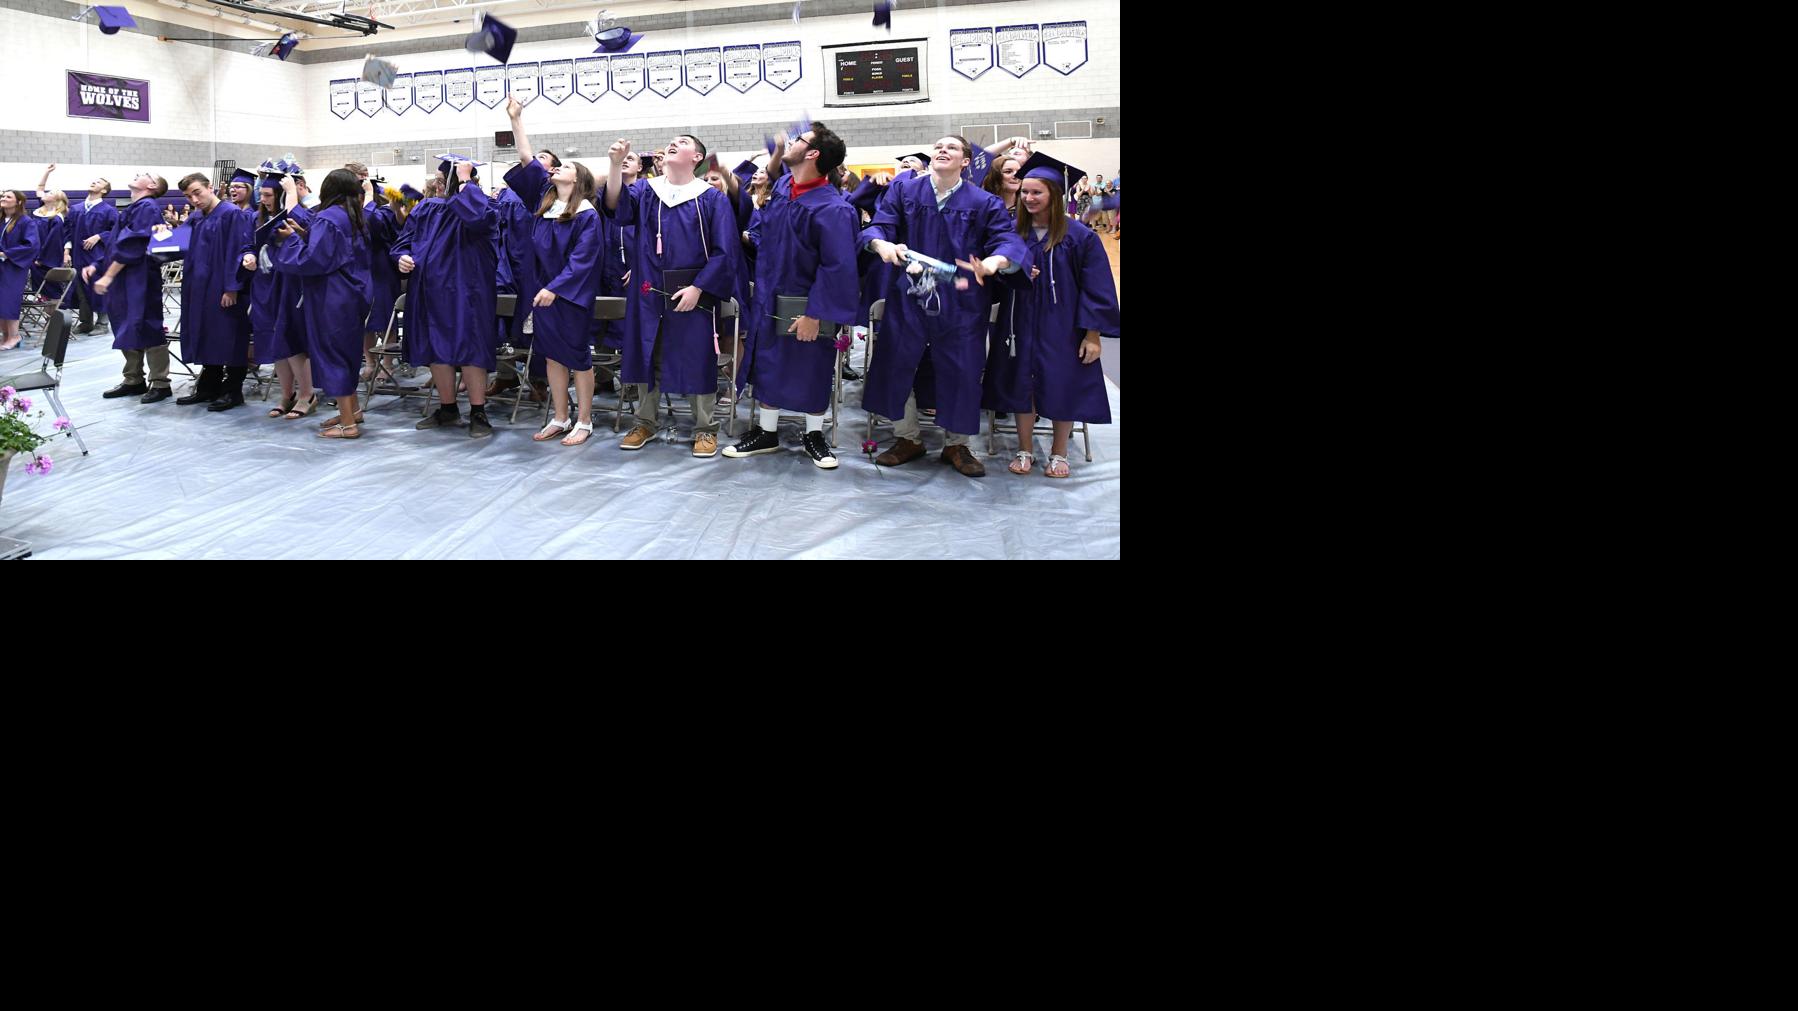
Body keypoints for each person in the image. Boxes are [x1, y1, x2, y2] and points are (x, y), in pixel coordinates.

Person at [859, 136, 1028, 477]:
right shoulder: (905, 192)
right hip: (910, 295)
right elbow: (879, 223)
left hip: (962, 303)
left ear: (967, 161)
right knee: (896, 363)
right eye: (938, 146)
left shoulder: (983, 202)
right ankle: (907, 437)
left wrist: (995, 262)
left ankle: (956, 444)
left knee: (962, 370)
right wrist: (881, 244)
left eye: (952, 147)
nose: (942, 150)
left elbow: (1006, 240)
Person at [723, 123, 858, 469]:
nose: (792, 143)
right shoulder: (784, 186)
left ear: (813, 154)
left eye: (800, 140)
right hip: (770, 293)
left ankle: (814, 434)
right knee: (768, 361)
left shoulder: (833, 208)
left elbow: (837, 267)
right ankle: (766, 432)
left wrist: (816, 314)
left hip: (807, 302)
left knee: (812, 365)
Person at [983, 154, 1119, 479]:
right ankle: (1024, 448)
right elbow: (996, 275)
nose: (1028, 199)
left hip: (1064, 323)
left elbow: (1096, 286)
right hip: (1019, 320)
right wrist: (1009, 272)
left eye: (1036, 193)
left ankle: (1059, 452)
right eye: (1024, 192)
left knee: (1063, 383)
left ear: (1054, 196)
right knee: (1021, 382)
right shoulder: (1012, 232)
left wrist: (1092, 334)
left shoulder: (1079, 236)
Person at [601, 132, 737, 458]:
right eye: (672, 141)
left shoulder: (711, 198)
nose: (674, 143)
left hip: (693, 291)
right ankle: (645, 421)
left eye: (684, 141)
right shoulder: (647, 191)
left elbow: (724, 252)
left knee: (698, 357)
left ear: (697, 157)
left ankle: (705, 428)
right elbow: (616, 208)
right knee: (647, 353)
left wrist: (699, 288)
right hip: (648, 288)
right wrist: (615, 164)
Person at [503, 97, 605, 446]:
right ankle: (560, 416)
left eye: (566, 166)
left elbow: (583, 261)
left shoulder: (587, 215)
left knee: (577, 357)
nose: (557, 168)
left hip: (569, 296)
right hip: (540, 292)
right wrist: (516, 119)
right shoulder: (544, 202)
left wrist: (556, 289)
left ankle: (585, 421)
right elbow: (526, 159)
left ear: (579, 179)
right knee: (550, 357)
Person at [392, 154, 501, 438]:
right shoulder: (426, 209)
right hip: (428, 291)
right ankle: (448, 408)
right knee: (436, 347)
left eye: (444, 182)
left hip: (469, 292)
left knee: (471, 348)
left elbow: (477, 219)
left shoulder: (485, 206)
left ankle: (479, 412)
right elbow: (403, 242)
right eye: (437, 182)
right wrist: (402, 257)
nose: (438, 187)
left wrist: (465, 183)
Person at [275, 169, 372, 439]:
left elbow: (313, 261)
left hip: (333, 296)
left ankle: (347, 425)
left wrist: (291, 240)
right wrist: (306, 234)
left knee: (334, 355)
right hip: (354, 294)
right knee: (349, 354)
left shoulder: (329, 218)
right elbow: (335, 252)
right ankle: (351, 412)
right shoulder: (353, 216)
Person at [88, 172, 175, 402]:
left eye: (145, 175)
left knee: (147, 324)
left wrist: (107, 276)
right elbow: (116, 244)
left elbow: (133, 247)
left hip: (139, 277)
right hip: (124, 278)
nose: (138, 174)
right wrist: (97, 265)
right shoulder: (132, 207)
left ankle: (160, 382)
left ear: (153, 185)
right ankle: (133, 379)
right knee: (126, 324)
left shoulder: (147, 208)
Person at [171, 171, 254, 411]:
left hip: (223, 287)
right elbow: (176, 245)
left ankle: (233, 391)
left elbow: (240, 250)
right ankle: (208, 387)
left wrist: (232, 288)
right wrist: (160, 237)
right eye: (189, 196)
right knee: (206, 334)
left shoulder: (232, 214)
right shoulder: (196, 217)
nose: (194, 200)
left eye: (197, 193)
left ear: (210, 187)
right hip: (198, 288)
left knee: (229, 337)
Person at [246, 170, 314, 419]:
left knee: (293, 341)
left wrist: (292, 195)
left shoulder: (300, 216)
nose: (262, 199)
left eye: (268, 194)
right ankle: (287, 394)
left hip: (290, 284)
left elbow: (308, 238)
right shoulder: (255, 218)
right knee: (275, 342)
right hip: (265, 286)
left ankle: (307, 394)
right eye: (261, 194)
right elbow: (246, 244)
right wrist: (248, 255)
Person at [56, 169, 118, 334]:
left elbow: (116, 231)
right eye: (93, 180)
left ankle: (102, 323)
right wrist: (66, 251)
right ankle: (85, 322)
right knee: (80, 289)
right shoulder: (75, 209)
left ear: (104, 190)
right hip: (77, 254)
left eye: (99, 182)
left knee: (97, 288)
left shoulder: (109, 211)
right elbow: (67, 232)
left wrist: (99, 236)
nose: (94, 182)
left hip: (98, 255)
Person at [0, 190, 38, 351]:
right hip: (1, 266)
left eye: (8, 196)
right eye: (2, 196)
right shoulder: (2, 220)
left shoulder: (25, 222)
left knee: (8, 301)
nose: (3, 198)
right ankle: (5, 335)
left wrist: (6, 253)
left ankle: (14, 335)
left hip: (13, 268)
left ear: (19, 202)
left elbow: (31, 245)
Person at [29, 189, 69, 306]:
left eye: (51, 193)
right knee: (44, 290)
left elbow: (53, 242)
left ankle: (53, 320)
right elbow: (40, 189)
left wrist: (41, 259)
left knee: (51, 290)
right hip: (35, 254)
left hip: (45, 259)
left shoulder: (56, 218)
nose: (47, 193)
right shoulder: (39, 213)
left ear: (57, 200)